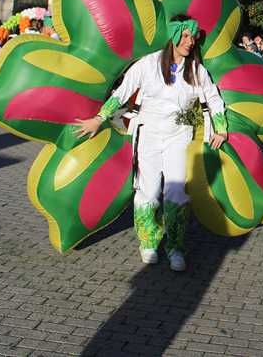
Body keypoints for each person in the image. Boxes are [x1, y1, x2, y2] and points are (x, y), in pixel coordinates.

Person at [74, 16, 227, 272]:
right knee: (149, 189)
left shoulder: (196, 70)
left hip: (180, 135)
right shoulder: (148, 64)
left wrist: (221, 129)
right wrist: (99, 118)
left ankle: (176, 248)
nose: (190, 42)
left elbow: (213, 98)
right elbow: (122, 92)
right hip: (149, 134)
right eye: (185, 36)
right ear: (173, 36)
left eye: (193, 37)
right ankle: (149, 242)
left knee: (176, 191)